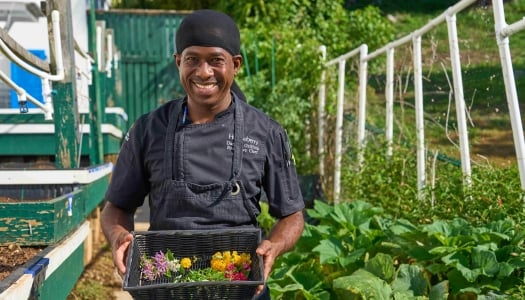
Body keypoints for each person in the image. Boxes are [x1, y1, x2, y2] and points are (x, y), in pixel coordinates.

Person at [100, 9, 305, 299]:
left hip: (240, 286)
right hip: (166, 285)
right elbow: (116, 207)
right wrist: (119, 235)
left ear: (235, 65)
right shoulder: (149, 130)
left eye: (216, 61)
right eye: (192, 59)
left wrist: (274, 245)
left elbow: (292, 216)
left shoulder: (266, 132)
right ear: (178, 63)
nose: (203, 72)